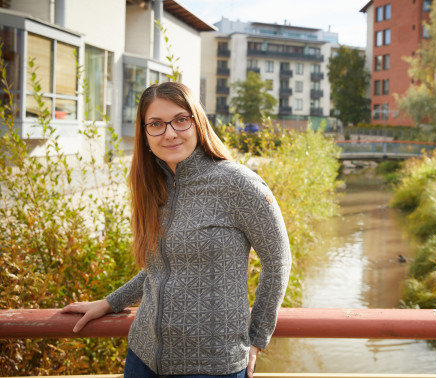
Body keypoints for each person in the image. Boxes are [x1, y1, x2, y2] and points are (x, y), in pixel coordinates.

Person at [61, 82, 291, 378]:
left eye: (181, 120)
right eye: (156, 124)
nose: (170, 132)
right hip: (142, 359)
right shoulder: (152, 188)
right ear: (144, 135)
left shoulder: (238, 184)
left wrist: (257, 339)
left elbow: (278, 262)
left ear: (198, 122)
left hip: (212, 366)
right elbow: (161, 266)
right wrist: (110, 302)